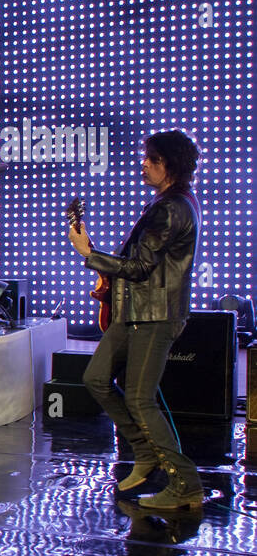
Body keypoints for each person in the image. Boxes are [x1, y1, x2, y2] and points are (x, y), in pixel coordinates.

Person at [67, 130, 203, 509]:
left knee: (142, 399)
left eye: (151, 159)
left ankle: (185, 483)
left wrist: (88, 254)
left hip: (153, 316)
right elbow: (144, 265)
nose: (143, 164)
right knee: (95, 379)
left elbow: (142, 267)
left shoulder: (172, 208)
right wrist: (104, 276)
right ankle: (145, 452)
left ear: (169, 165)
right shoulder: (165, 203)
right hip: (134, 313)